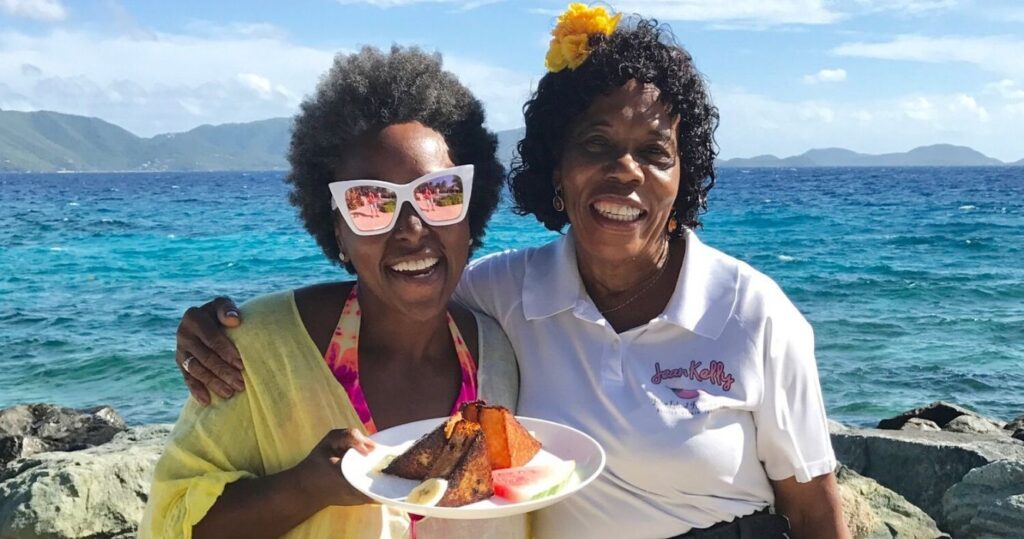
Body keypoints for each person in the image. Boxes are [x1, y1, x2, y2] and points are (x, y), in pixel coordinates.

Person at [172, 5, 849, 538]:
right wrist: (228, 328)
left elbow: (816, 512)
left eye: (656, 153)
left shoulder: (754, 314)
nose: (626, 172)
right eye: (597, 146)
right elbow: (393, 287)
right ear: (556, 170)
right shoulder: (501, 297)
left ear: (686, 177)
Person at [143, 46, 525, 539]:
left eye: (440, 193)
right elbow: (172, 521)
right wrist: (305, 488)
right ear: (338, 230)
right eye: (370, 202)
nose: (412, 227)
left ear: (471, 215)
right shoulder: (256, 352)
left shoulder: (497, 352)